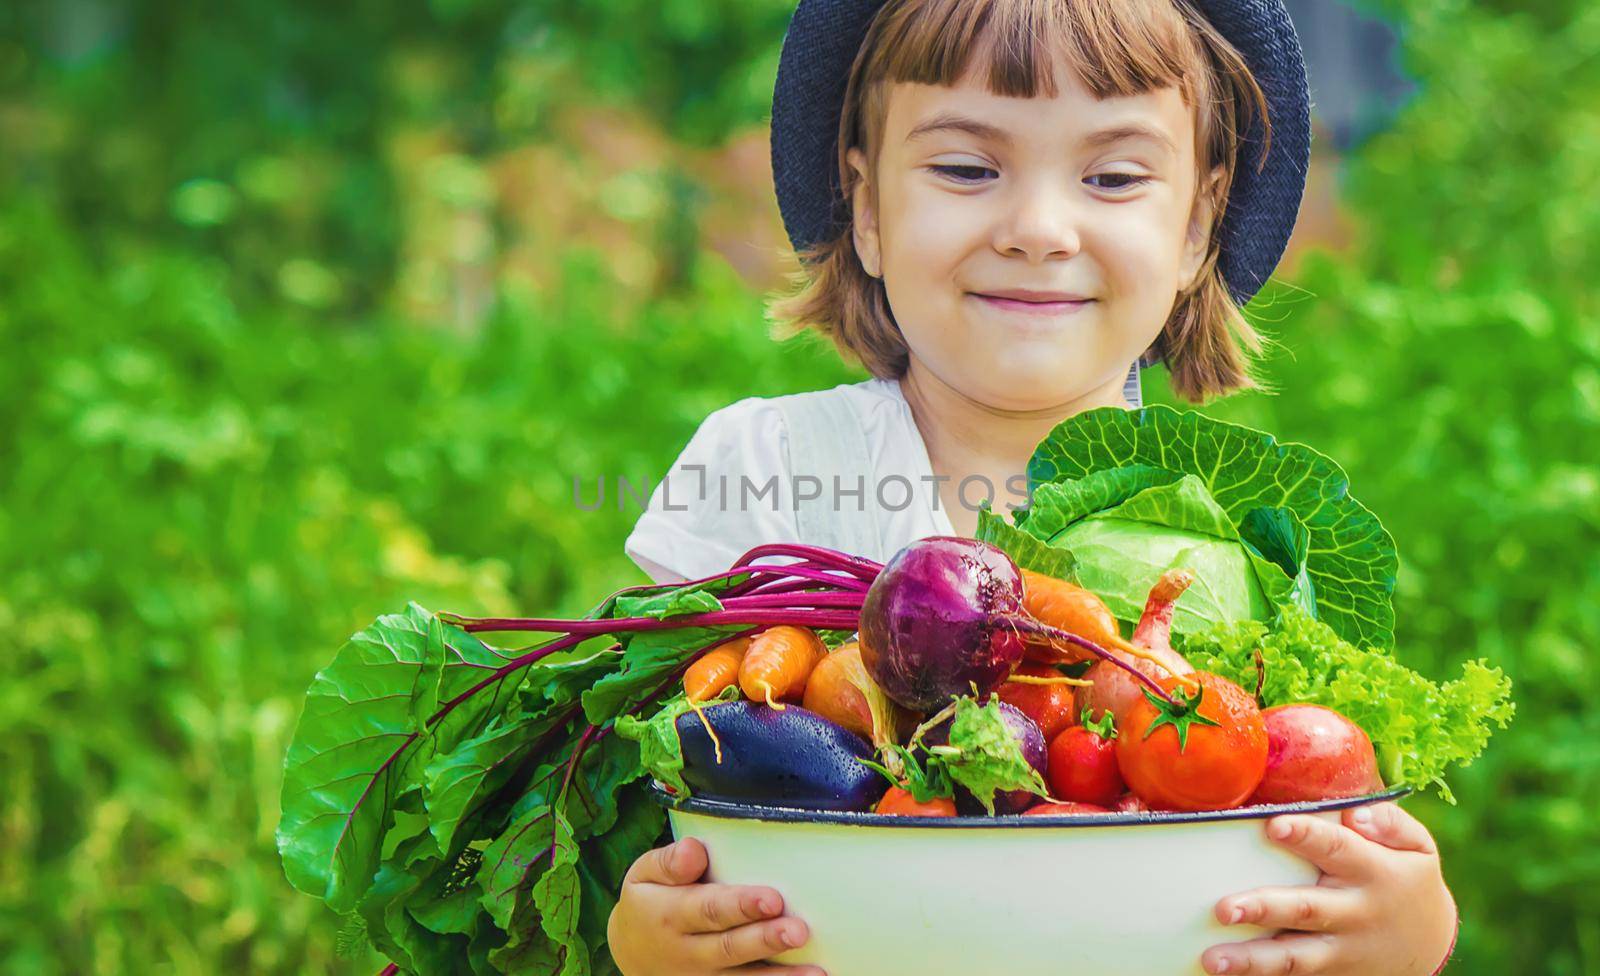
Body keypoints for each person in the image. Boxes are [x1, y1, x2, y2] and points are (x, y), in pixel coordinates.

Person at [608, 1, 1460, 973]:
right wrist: (645, 944)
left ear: (1195, 226)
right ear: (869, 208)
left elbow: (1318, 800)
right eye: (968, 169)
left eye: (1111, 176)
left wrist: (1409, 934)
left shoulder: (1234, 546)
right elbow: (656, 821)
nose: (1038, 229)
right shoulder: (758, 471)